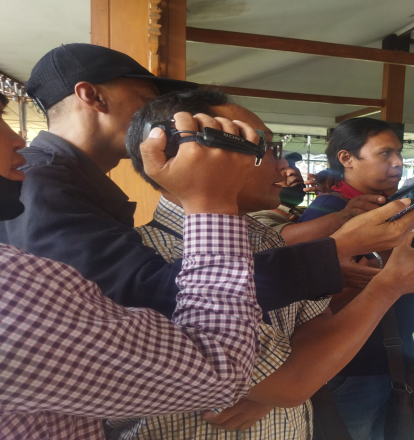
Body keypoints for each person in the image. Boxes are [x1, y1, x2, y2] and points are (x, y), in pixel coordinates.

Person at [113, 89, 414, 439]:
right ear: (191, 152)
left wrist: (274, 390)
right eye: (264, 147)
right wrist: (391, 282)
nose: (283, 165)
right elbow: (290, 383)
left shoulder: (266, 239)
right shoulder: (143, 260)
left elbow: (307, 355)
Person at [0, 43, 352, 316]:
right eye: (148, 101)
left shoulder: (68, 177)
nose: (161, 117)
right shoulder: (42, 180)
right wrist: (335, 251)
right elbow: (144, 296)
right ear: (92, 96)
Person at [1, 95, 267, 439]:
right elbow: (222, 370)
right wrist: (212, 201)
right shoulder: (10, 291)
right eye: (241, 143)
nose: (18, 139)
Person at [298, 117, 414, 440]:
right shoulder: (329, 211)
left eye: (399, 153)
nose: (398, 162)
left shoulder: (385, 209)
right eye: (385, 153)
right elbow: (307, 302)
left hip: (387, 358)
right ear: (347, 158)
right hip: (351, 368)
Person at [251, 151, 384, 247]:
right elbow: (278, 240)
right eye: (280, 168)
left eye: (293, 165)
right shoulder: (255, 218)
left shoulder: (301, 210)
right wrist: (343, 216)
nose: (292, 171)